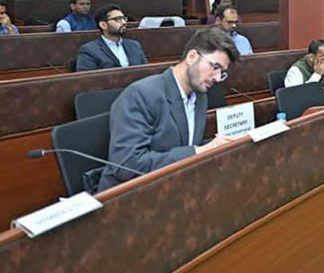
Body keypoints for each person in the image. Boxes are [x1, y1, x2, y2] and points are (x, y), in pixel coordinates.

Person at [96, 28, 240, 191]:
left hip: (173, 185)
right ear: (192, 57)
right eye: (215, 67)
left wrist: (217, 145)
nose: (217, 78)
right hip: (130, 195)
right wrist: (199, 152)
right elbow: (127, 165)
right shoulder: (142, 94)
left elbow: (186, 144)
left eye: (222, 72)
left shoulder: (200, 95)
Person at [75, 4, 148, 71]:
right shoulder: (89, 50)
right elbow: (85, 78)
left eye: (124, 18)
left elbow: (146, 71)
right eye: (118, 19)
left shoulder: (134, 45)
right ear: (103, 25)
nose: (124, 22)